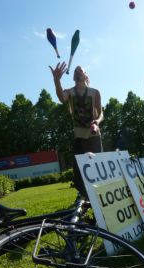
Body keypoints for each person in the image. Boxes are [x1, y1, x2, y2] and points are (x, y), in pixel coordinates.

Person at [49, 62, 103, 197]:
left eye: (81, 70)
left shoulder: (95, 92)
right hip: (79, 136)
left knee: (97, 167)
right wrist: (56, 80)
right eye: (76, 71)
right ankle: (83, 196)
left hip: (93, 135)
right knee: (78, 171)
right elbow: (62, 98)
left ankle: (99, 195)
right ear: (73, 77)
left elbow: (101, 113)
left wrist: (97, 121)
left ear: (86, 76)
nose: (78, 71)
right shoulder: (70, 92)